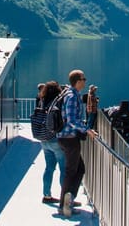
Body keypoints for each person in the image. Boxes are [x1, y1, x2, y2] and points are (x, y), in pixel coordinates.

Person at [57, 69, 98, 217]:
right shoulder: (72, 96)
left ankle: (69, 199)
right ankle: (64, 205)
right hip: (69, 138)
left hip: (67, 138)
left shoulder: (71, 94)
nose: (85, 81)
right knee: (71, 171)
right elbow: (72, 119)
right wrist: (87, 130)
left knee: (79, 169)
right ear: (78, 81)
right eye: (83, 79)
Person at [38, 81, 64, 204]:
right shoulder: (57, 103)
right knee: (63, 168)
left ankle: (46, 195)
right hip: (55, 139)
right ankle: (65, 198)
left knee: (49, 168)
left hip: (44, 139)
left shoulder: (42, 102)